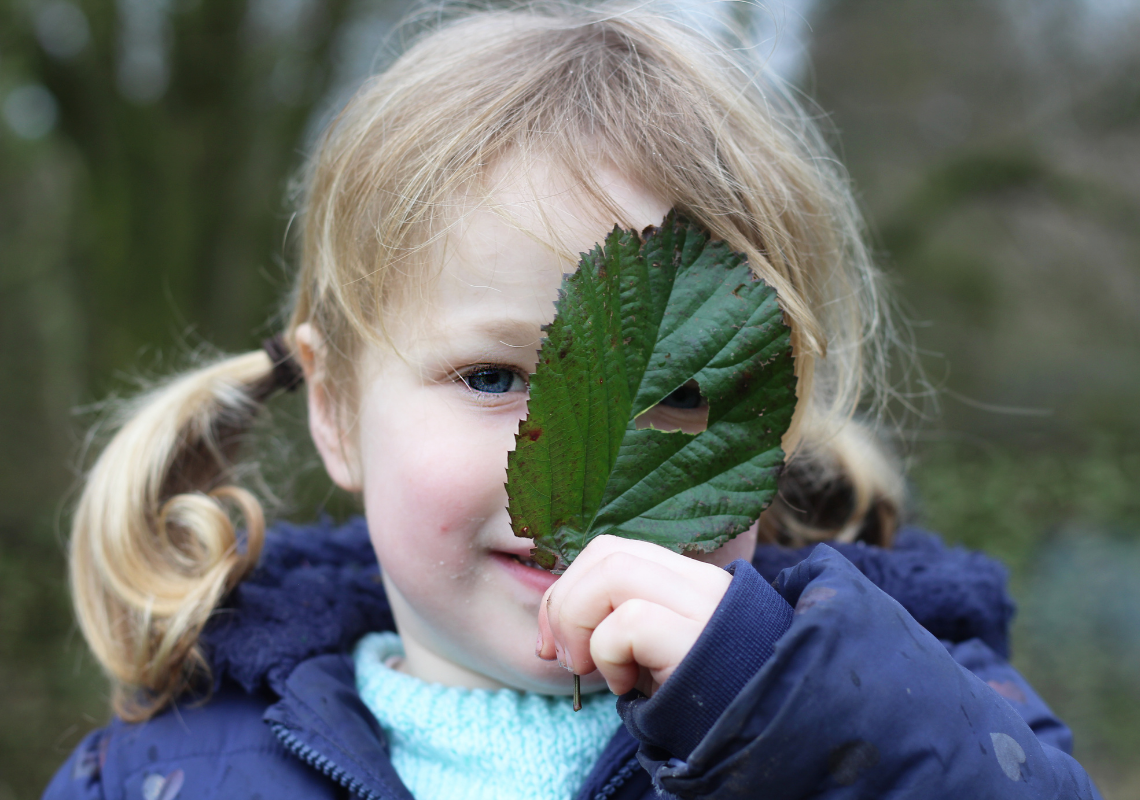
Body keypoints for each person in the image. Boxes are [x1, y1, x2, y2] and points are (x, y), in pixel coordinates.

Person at [45, 3, 1102, 798]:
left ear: (777, 422)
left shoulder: (889, 708)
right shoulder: (164, 765)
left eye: (675, 389)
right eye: (492, 377)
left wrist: (785, 703)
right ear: (334, 408)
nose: (586, 464)